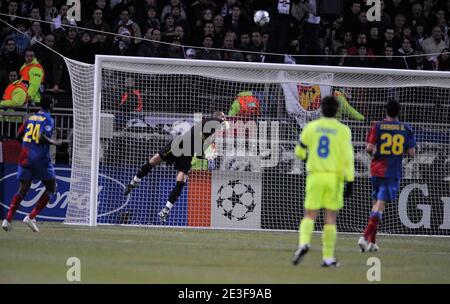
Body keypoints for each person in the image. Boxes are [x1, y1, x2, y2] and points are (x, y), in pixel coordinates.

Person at [123, 111, 228, 223]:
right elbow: (222, 123)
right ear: (217, 117)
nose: (224, 118)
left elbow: (198, 150)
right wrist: (225, 121)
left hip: (188, 153)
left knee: (181, 180)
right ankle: (134, 182)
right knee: (153, 161)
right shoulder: (208, 121)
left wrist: (206, 156)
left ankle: (165, 210)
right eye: (223, 116)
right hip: (179, 144)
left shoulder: (210, 134)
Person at [292, 96, 355, 267]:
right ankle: (327, 257)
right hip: (334, 178)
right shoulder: (343, 130)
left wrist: (307, 159)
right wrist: (350, 181)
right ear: (337, 111)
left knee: (310, 214)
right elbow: (348, 158)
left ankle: (303, 243)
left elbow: (299, 151)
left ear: (321, 108)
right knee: (330, 218)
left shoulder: (311, 127)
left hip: (315, 176)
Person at [358, 100, 416, 252]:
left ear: (386, 111)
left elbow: (369, 149)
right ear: (399, 112)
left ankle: (372, 242)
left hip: (376, 170)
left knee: (376, 204)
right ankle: (364, 237)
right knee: (380, 206)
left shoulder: (377, 126)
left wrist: (380, 153)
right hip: (391, 172)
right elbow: (411, 153)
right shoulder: (406, 129)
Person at [2, 96, 62, 232]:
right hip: (40, 159)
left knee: (23, 188)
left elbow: (18, 136)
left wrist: (28, 145)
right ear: (50, 105)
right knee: (52, 187)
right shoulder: (48, 119)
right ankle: (31, 216)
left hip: (25, 157)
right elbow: (41, 137)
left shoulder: (29, 117)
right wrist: (54, 142)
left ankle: (7, 219)